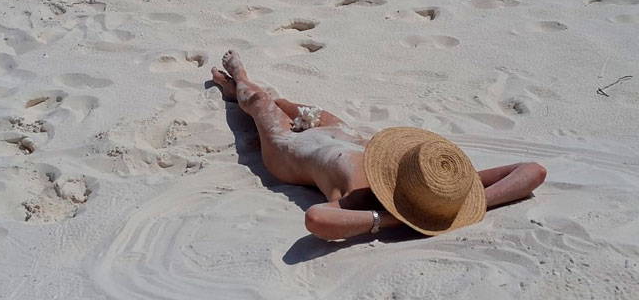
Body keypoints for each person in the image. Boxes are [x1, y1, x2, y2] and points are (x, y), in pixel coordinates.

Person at [211, 50, 546, 241]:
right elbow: (533, 170)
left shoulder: (360, 199)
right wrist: (465, 206)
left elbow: (316, 219)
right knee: (286, 103)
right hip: (341, 132)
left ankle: (240, 81)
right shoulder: (435, 185)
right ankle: (238, 92)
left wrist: (393, 218)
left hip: (292, 150)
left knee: (260, 102)